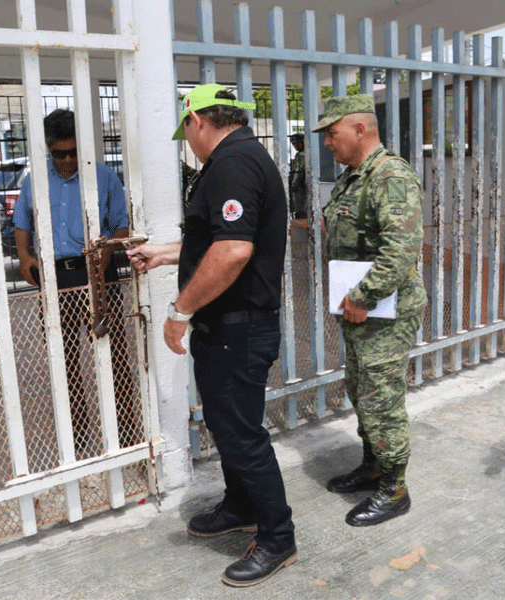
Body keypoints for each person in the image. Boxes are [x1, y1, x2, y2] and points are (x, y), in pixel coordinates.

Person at [126, 84, 296, 587]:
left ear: (199, 120)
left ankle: (277, 537)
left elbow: (234, 253)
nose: (189, 143)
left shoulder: (232, 164)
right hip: (230, 328)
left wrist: (180, 311)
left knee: (243, 437)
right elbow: (216, 241)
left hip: (237, 330)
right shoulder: (241, 159)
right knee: (228, 429)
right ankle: (241, 506)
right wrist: (164, 253)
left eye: (188, 133)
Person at [314, 94, 427, 527]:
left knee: (382, 398)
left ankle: (394, 488)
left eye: (332, 131)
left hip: (384, 310)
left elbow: (400, 251)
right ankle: (373, 464)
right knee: (361, 389)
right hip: (360, 309)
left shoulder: (390, 176)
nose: (327, 141)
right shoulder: (352, 177)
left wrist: (362, 297)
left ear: (360, 129)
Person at [13, 108, 136, 456]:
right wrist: (25, 256)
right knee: (64, 357)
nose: (67, 160)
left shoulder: (104, 177)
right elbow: (23, 221)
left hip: (99, 273)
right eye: (59, 154)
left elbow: (120, 225)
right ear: (48, 149)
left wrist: (106, 256)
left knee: (113, 355)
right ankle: (77, 437)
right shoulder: (34, 180)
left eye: (73, 152)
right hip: (55, 277)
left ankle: (125, 430)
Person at [288, 133, 307, 218]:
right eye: (293, 144)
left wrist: (293, 185)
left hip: (300, 188)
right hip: (302, 187)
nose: (295, 146)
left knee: (301, 211)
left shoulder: (302, 155)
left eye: (298, 143)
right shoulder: (300, 154)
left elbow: (298, 172)